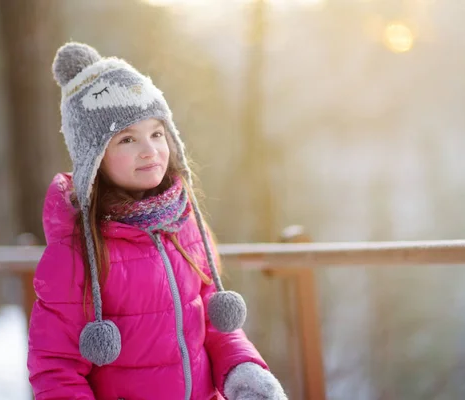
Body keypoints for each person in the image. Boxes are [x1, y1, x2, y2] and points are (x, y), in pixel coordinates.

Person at [27, 42, 287, 400]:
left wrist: (244, 373)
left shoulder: (184, 223)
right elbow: (55, 367)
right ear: (95, 159)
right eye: (127, 139)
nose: (149, 150)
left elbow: (211, 322)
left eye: (157, 133)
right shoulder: (76, 250)